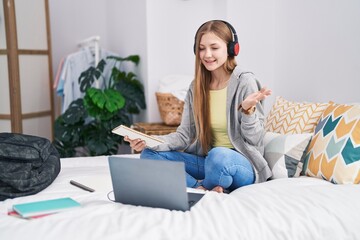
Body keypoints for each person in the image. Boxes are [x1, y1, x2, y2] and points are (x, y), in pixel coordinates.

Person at [124, 20, 272, 193]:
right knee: (149, 155)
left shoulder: (244, 82)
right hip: (208, 161)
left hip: (240, 164)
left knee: (218, 156)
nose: (207, 54)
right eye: (202, 48)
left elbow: (256, 139)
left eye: (214, 47)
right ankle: (202, 188)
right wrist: (149, 142)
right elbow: (184, 135)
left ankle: (209, 183)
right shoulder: (196, 87)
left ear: (232, 49)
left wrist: (248, 112)